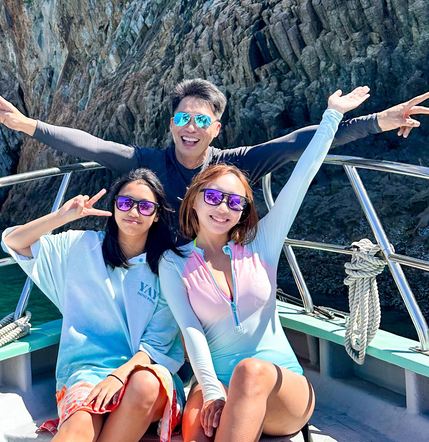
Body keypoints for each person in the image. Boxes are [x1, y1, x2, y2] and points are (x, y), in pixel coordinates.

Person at [156, 87, 371, 442]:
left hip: (280, 387)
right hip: (216, 382)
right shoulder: (174, 262)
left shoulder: (261, 245)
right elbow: (191, 332)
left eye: (234, 202)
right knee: (194, 431)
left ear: (243, 211)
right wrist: (211, 391)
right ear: (194, 201)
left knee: (250, 371)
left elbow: (302, 177)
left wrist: (332, 115)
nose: (222, 207)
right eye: (212, 197)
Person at [0, 81, 429, 242]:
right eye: (181, 117)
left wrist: (379, 121)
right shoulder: (149, 161)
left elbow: (300, 142)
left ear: (216, 127)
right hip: (162, 270)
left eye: (201, 119)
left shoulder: (236, 164)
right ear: (171, 123)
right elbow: (92, 146)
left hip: (217, 273)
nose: (189, 127)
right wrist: (25, 124)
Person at [1, 168, 186, 442]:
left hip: (144, 374)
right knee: (78, 427)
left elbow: (156, 347)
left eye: (145, 206)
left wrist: (118, 377)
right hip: (86, 371)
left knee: (143, 384)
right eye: (125, 203)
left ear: (157, 214)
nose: (133, 212)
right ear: (114, 206)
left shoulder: (168, 267)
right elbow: (14, 243)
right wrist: (61, 218)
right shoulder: (80, 246)